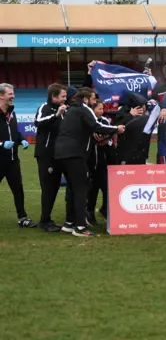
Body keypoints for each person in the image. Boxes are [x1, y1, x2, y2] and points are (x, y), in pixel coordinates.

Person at [55, 88, 125, 237]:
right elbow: (96, 126)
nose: (95, 102)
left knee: (73, 188)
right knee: (81, 189)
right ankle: (80, 227)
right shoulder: (83, 108)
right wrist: (116, 129)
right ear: (86, 99)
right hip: (75, 154)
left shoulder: (71, 110)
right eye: (93, 99)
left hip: (61, 154)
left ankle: (69, 223)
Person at [0, 83, 36, 228]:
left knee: (18, 189)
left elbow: (14, 132)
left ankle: (22, 218)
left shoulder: (12, 112)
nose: (13, 96)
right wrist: (1, 144)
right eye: (10, 94)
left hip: (13, 159)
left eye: (13, 93)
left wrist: (21, 139)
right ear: (1, 95)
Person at [34, 83, 67, 232]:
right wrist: (56, 115)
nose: (65, 99)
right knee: (48, 188)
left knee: (54, 188)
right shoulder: (44, 108)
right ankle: (44, 220)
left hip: (59, 155)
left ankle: (48, 219)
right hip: (46, 155)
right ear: (53, 97)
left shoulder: (64, 110)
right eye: (63, 96)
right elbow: (38, 122)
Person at [86, 100, 113, 226]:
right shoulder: (87, 121)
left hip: (103, 161)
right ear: (92, 110)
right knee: (92, 189)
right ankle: (89, 212)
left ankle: (105, 209)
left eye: (103, 109)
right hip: (90, 161)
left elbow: (111, 139)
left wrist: (106, 141)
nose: (102, 111)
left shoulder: (105, 121)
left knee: (106, 187)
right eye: (99, 109)